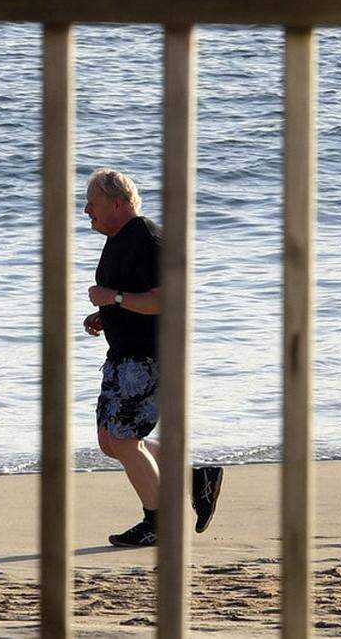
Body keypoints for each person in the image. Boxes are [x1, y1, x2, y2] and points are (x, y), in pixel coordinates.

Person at [82, 168, 225, 548]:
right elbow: (132, 295)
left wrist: (112, 299)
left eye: (92, 204)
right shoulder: (120, 238)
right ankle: (196, 477)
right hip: (123, 356)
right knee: (110, 442)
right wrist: (107, 314)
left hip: (149, 359)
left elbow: (164, 300)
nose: (85, 211)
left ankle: (158, 522)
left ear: (118, 202)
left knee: (126, 440)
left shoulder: (147, 239)